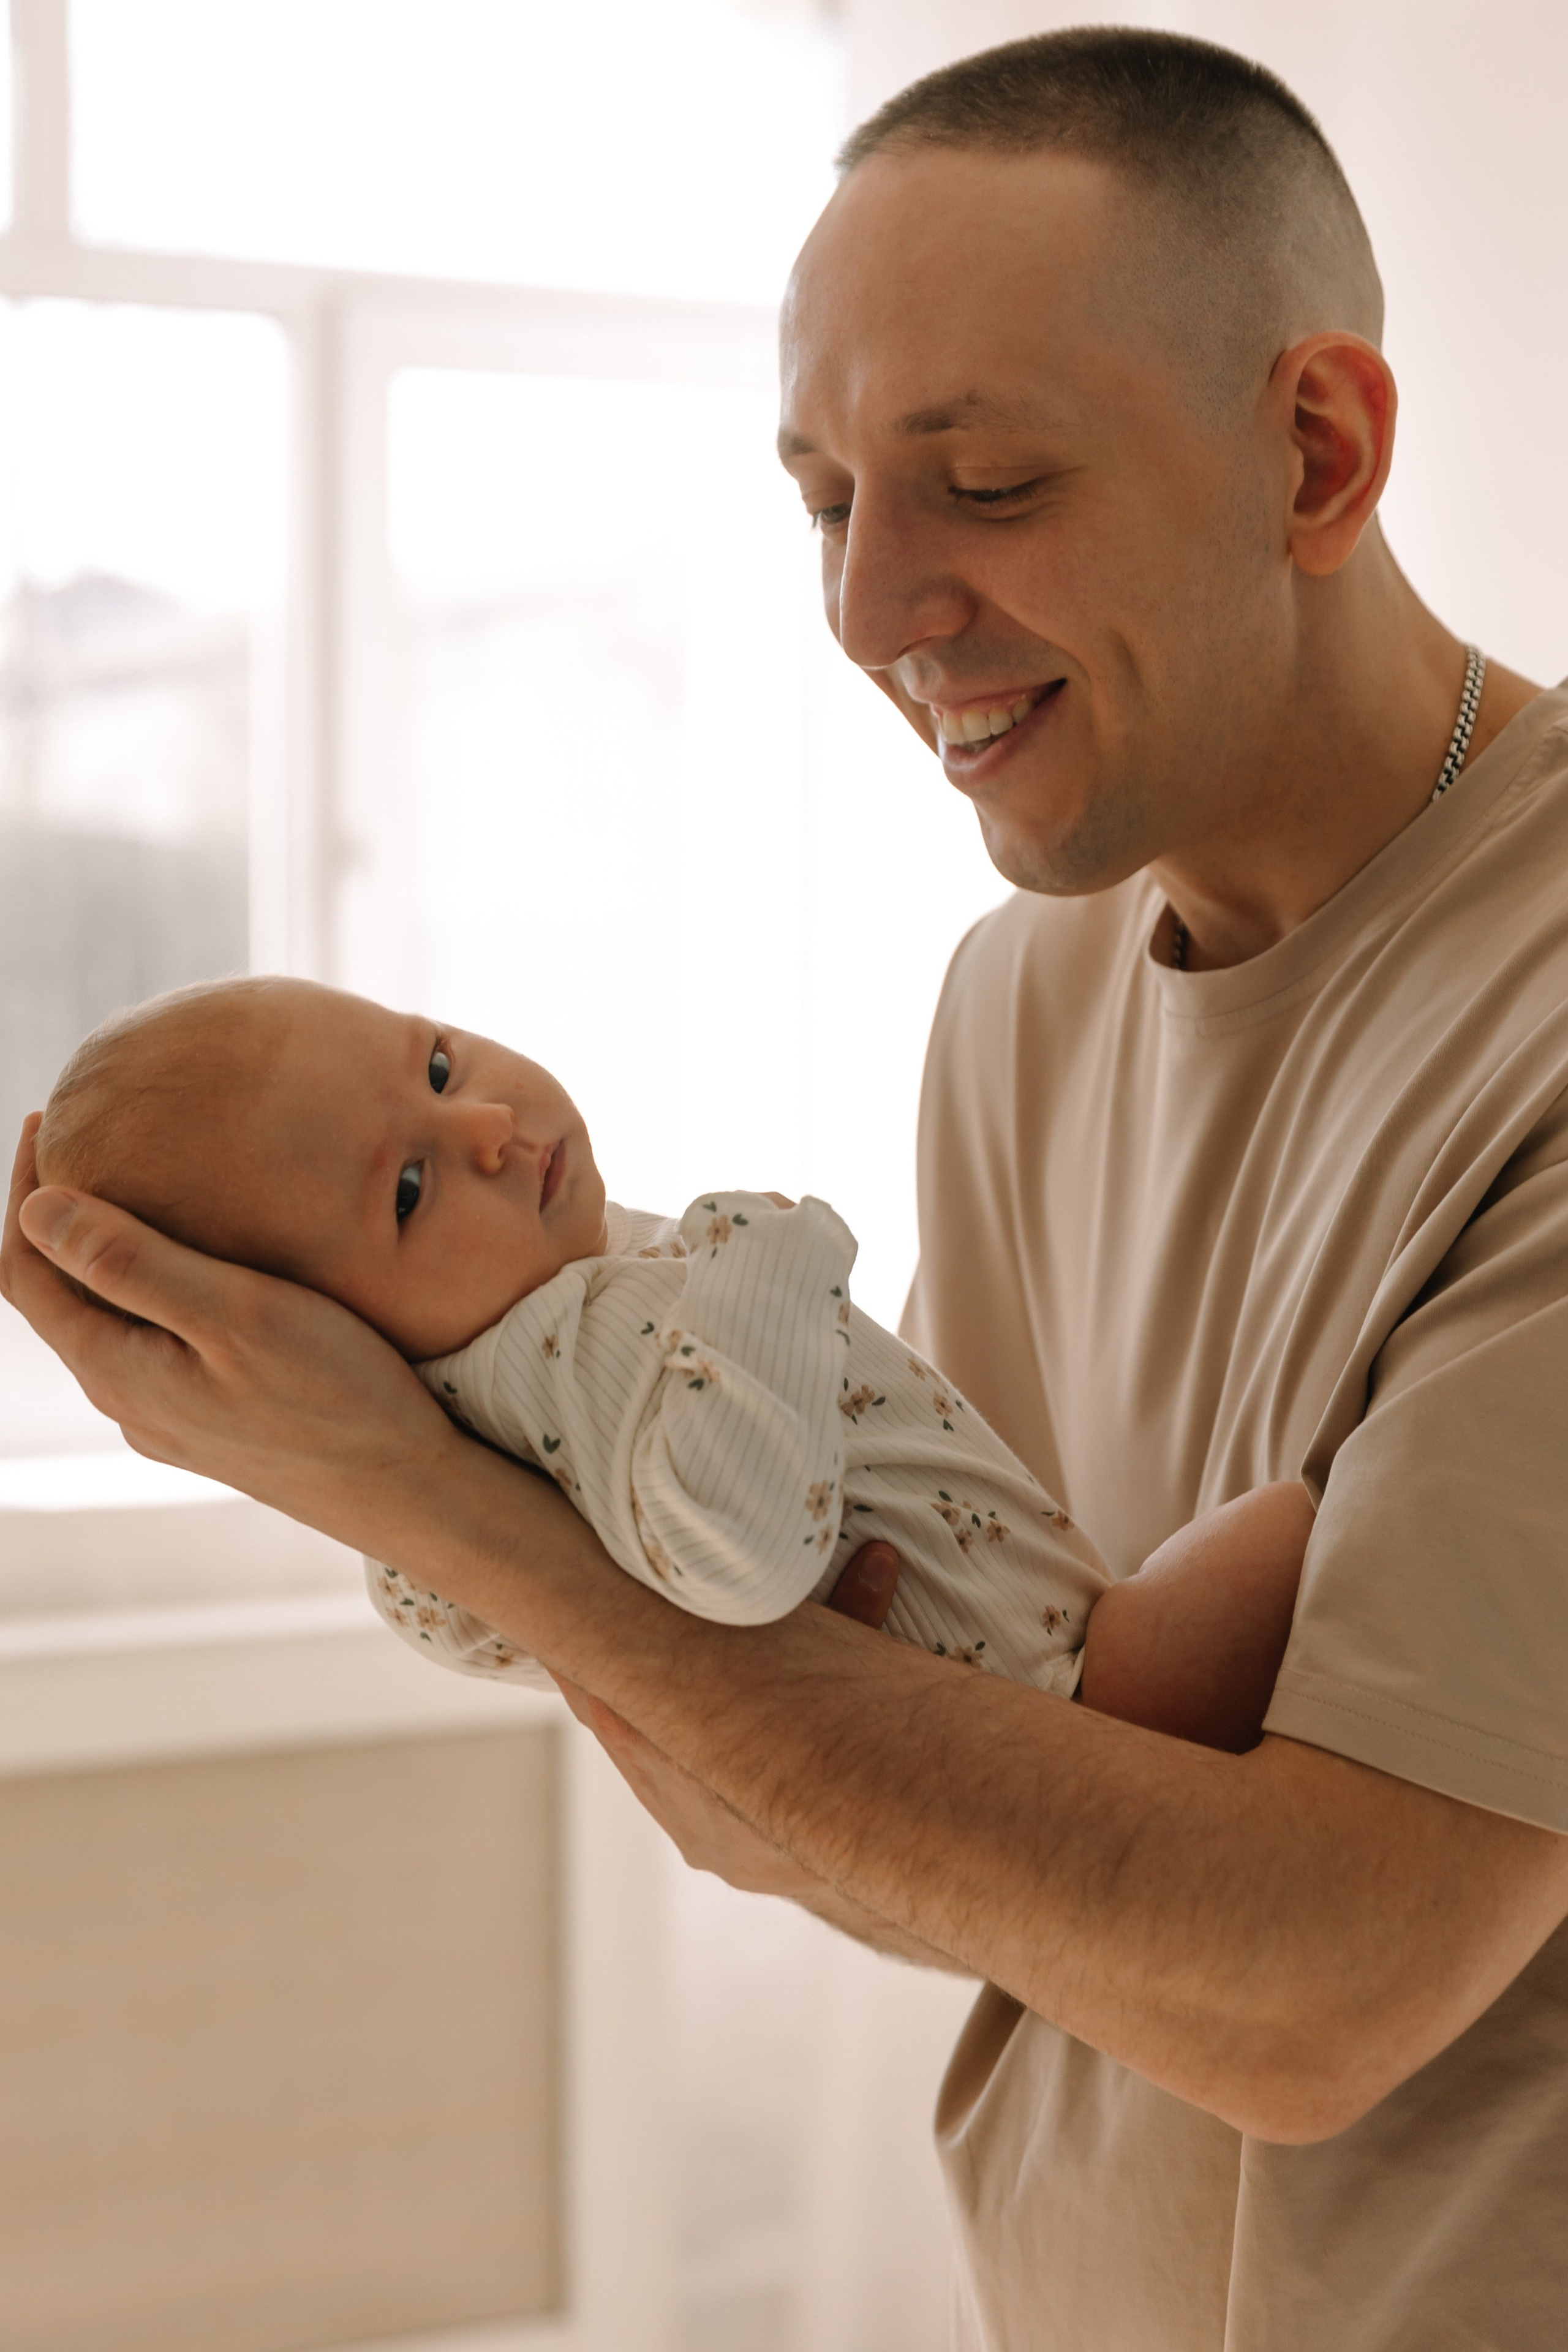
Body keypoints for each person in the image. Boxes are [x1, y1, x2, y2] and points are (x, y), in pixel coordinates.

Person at [6, 24, 1568, 2347]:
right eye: (829, 499)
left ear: (1317, 452)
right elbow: (879, 1800)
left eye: (990, 483)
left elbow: (1309, 1996)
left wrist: (432, 1514)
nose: (868, 612)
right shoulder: (1014, 1002)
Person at [31, 973, 1310, 1740]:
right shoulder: (572, 1343)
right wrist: (769, 1248)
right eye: (409, 1190)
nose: (483, 1122)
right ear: (325, 1336)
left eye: (434, 1061)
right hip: (1090, 1698)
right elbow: (741, 1556)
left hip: (1020, 1709)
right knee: (1335, 1507)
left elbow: (471, 1615)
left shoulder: (495, 1412)